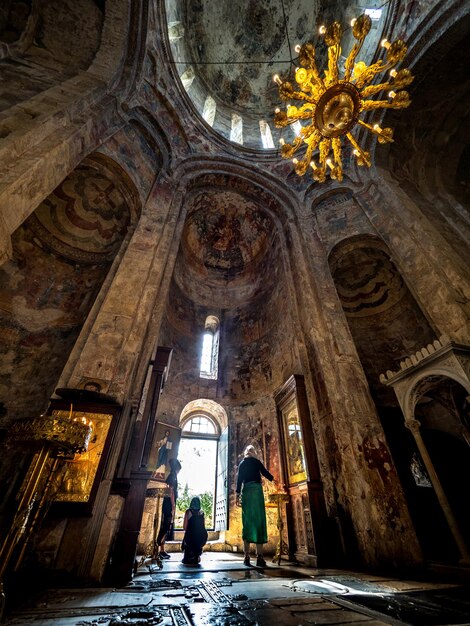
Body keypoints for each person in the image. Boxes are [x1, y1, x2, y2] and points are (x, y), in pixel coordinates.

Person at [236, 445, 274, 567]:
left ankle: (246, 556)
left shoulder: (242, 464)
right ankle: (260, 557)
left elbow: (239, 480)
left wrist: (237, 495)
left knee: (247, 522)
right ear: (253, 453)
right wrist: (274, 479)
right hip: (257, 492)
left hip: (247, 492)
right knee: (259, 522)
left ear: (245, 453)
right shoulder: (257, 462)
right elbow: (265, 473)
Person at [156, 457, 181, 559]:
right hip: (168, 504)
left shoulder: (173, 476)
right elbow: (171, 491)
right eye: (179, 469)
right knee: (165, 526)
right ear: (176, 468)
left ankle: (162, 549)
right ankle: (159, 546)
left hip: (168, 504)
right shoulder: (172, 476)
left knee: (166, 527)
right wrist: (173, 505)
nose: (179, 471)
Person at [181, 496, 208, 565]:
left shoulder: (188, 512)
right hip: (200, 538)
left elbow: (185, 527)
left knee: (188, 537)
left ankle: (189, 556)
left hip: (190, 538)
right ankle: (196, 556)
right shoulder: (202, 513)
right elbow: (203, 526)